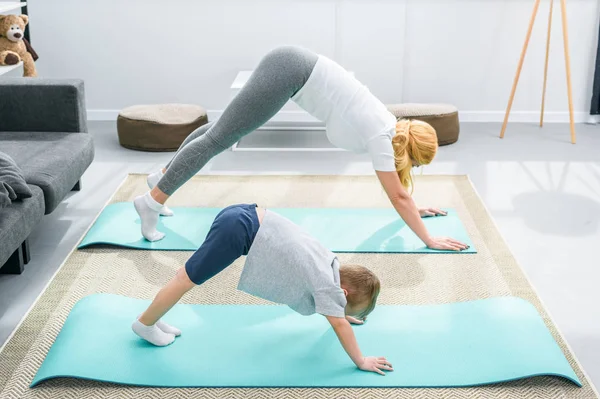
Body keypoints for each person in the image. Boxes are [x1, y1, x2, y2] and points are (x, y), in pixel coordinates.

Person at [134, 45, 468, 252]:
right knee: (220, 139)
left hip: (292, 66)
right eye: (417, 163)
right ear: (411, 152)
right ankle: (152, 201)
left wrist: (415, 208)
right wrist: (429, 239)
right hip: (290, 71)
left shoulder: (388, 123)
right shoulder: (382, 138)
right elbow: (399, 196)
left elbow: (400, 193)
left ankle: (160, 179)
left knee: (220, 130)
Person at [132, 203, 393, 376]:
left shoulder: (329, 263)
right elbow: (338, 324)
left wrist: (342, 311)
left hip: (243, 213)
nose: (338, 310)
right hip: (239, 232)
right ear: (343, 294)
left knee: (186, 276)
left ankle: (154, 318)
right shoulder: (327, 285)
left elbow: (334, 307)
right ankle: (145, 323)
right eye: (343, 305)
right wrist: (361, 360)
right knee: (185, 279)